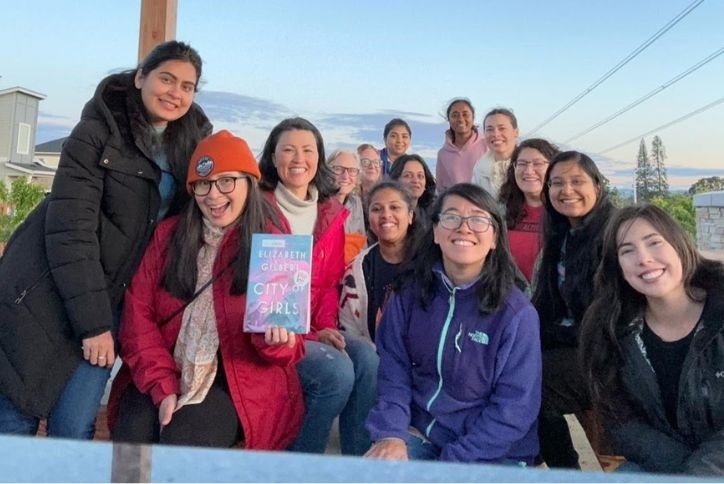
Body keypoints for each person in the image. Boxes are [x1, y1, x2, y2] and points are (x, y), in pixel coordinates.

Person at [0, 40, 211, 439]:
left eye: (187, 86)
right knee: (17, 414)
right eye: (166, 78)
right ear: (140, 77)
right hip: (43, 288)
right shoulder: (96, 133)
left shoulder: (191, 146)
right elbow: (70, 231)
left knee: (75, 423)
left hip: (111, 296)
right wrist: (95, 324)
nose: (175, 92)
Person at [107, 131, 304, 449]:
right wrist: (163, 386)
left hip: (236, 380)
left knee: (184, 441)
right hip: (163, 366)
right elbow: (138, 316)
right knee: (132, 441)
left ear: (248, 182)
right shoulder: (169, 236)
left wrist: (276, 342)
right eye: (203, 184)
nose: (213, 195)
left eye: (227, 181)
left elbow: (287, 350)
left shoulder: (274, 242)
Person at [365, 183, 541, 465]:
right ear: (435, 231)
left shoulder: (516, 314)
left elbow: (514, 409)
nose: (464, 227)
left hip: (491, 451)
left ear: (495, 237)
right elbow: (393, 370)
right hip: (420, 434)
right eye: (451, 217)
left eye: (478, 219)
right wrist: (391, 434)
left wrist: (453, 461)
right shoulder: (409, 294)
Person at [258, 117, 378, 455]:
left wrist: (324, 327)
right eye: (288, 150)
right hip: (271, 329)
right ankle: (302, 463)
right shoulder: (256, 206)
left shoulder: (331, 212)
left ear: (319, 158)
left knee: (367, 358)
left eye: (308, 150)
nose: (299, 159)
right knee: (337, 372)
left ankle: (357, 461)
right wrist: (310, 335)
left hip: (314, 326)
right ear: (272, 156)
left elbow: (328, 285)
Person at [580, 204, 724, 475]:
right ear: (618, 266)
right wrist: (683, 473)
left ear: (680, 244)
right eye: (627, 251)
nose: (643, 259)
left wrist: (697, 475)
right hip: (664, 466)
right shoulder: (610, 329)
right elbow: (621, 421)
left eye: (654, 243)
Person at [532, 150, 616, 468]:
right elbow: (546, 306)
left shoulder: (612, 233)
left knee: (530, 383)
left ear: (597, 184)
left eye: (577, 181)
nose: (566, 190)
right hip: (574, 345)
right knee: (510, 366)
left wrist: (549, 334)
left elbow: (606, 319)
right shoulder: (562, 234)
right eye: (557, 183)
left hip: (608, 355)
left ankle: (565, 470)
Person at [498, 138, 560, 282]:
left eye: (538, 163)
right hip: (509, 299)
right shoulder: (500, 212)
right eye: (522, 164)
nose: (529, 170)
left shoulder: (564, 213)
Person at [435, 98, 487, 192]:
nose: (460, 119)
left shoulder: (487, 145)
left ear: (473, 117)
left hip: (486, 204)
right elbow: (441, 189)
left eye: (465, 114)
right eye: (455, 115)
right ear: (449, 119)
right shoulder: (443, 154)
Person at [326, 149, 367, 265]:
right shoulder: (316, 203)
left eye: (352, 171)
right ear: (327, 172)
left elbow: (362, 246)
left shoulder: (355, 203)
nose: (345, 176)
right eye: (338, 169)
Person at [472, 107, 519, 197]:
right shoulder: (479, 169)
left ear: (516, 132)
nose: (496, 134)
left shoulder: (529, 165)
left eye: (502, 128)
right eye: (489, 129)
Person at [388, 154, 436, 229]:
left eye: (420, 176)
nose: (415, 180)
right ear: (395, 180)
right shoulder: (386, 213)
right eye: (408, 175)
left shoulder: (432, 214)